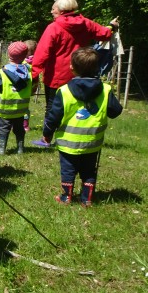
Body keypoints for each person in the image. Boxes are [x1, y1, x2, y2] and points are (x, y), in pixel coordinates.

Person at [39, 47, 122, 207]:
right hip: (92, 143)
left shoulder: (64, 91)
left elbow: (53, 117)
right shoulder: (105, 90)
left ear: (72, 67)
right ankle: (87, 199)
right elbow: (115, 111)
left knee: (68, 170)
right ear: (97, 67)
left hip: (68, 143)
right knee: (89, 171)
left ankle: (66, 197)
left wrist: (47, 134)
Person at [31, 0, 117, 137]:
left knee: (52, 107)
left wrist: (34, 75)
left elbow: (42, 53)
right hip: (81, 73)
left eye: (53, 9)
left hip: (56, 75)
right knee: (78, 106)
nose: (51, 11)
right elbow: (105, 33)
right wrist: (112, 26)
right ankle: (75, 134)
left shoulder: (53, 28)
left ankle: (47, 138)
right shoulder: (86, 23)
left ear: (62, 11)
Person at [0, 41, 33, 155]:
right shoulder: (28, 71)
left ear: (9, 55)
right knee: (19, 128)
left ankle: (1, 148)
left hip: (5, 109)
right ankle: (20, 148)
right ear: (25, 56)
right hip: (20, 109)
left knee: (4, 128)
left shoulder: (2, 72)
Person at [22, 39, 38, 131]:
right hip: (30, 87)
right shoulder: (35, 61)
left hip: (23, 88)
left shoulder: (24, 62)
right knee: (25, 106)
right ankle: (24, 125)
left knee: (22, 107)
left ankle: (23, 124)